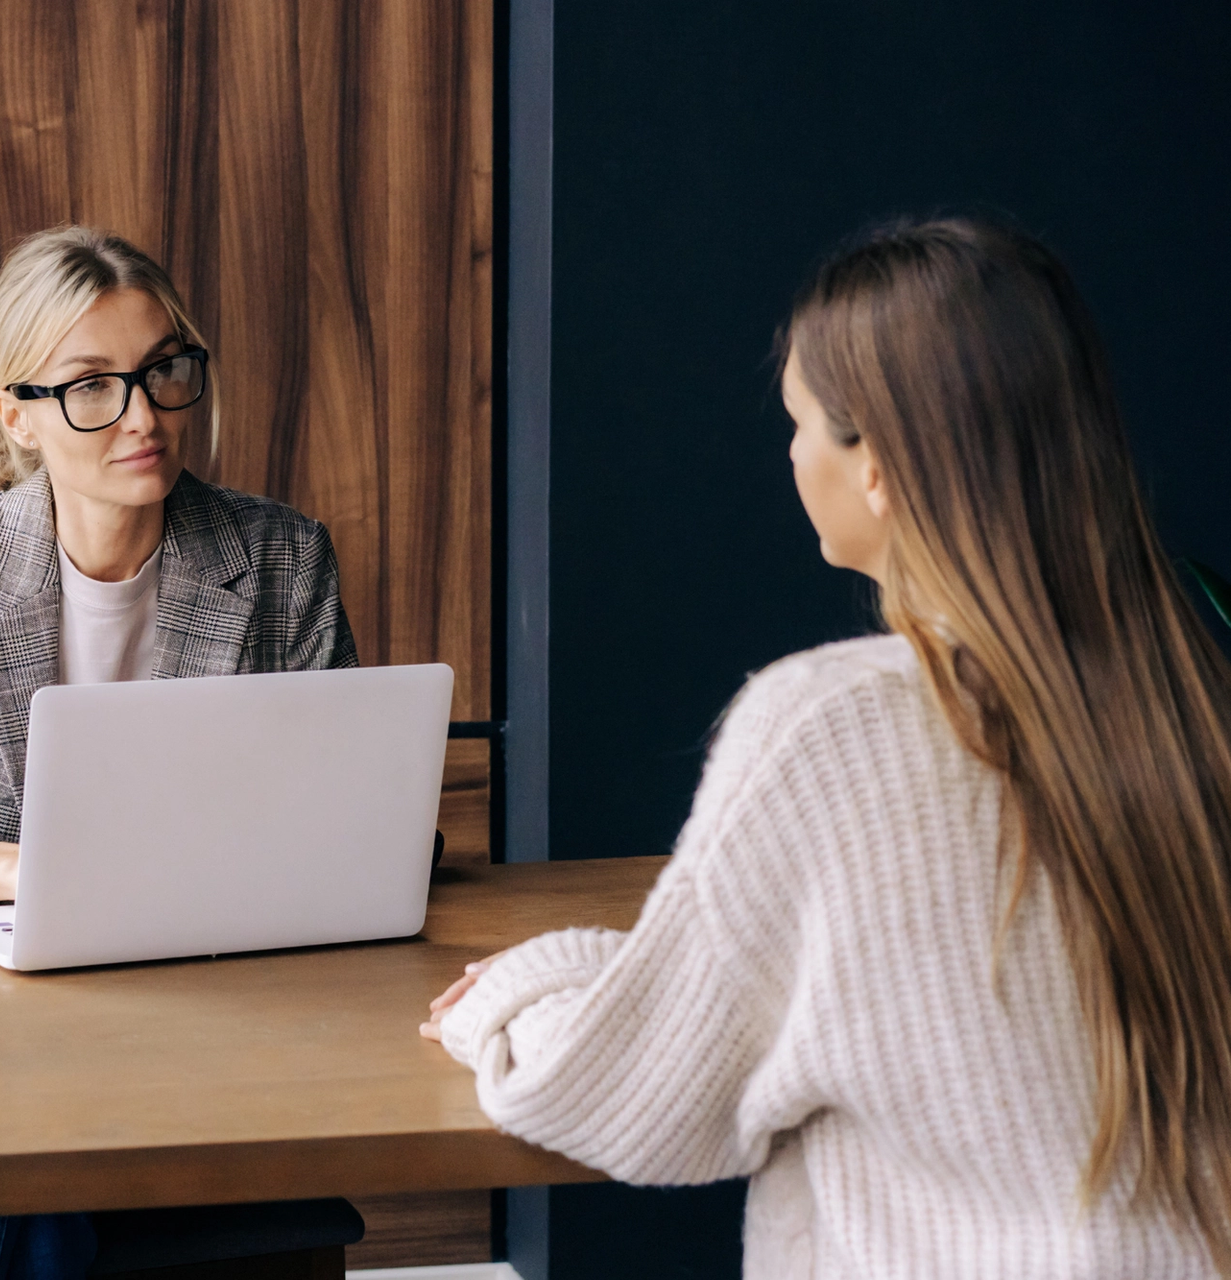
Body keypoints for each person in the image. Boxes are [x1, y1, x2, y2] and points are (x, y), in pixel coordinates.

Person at [422, 218, 1231, 1277]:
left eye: (802, 420)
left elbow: (637, 1089)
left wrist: (507, 993)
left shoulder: (831, 727)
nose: (792, 451)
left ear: (879, 468)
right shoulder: (1193, 689)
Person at [0, 226, 357, 1280]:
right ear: (15, 411)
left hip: (217, 1017)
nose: (144, 415)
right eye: (92, 385)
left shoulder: (282, 556)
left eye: (163, 370)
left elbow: (343, 813)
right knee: (12, 1161)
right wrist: (26, 873)